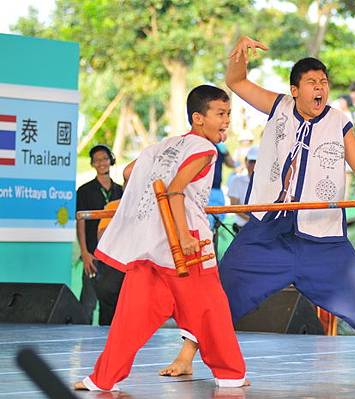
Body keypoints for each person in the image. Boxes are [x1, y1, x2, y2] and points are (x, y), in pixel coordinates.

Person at [160, 36, 355, 378]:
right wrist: (238, 54)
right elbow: (236, 82)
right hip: (269, 228)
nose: (319, 88)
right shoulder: (278, 105)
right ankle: (186, 354)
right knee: (224, 287)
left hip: (321, 234)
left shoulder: (339, 121)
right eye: (311, 82)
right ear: (295, 90)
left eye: (323, 82)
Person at [74, 85, 247, 391]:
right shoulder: (205, 150)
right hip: (187, 243)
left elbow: (128, 172)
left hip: (151, 245)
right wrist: (182, 235)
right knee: (212, 310)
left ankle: (101, 379)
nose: (226, 121)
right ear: (198, 118)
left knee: (131, 315)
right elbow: (176, 190)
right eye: (220, 114)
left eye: (228, 114)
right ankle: (231, 374)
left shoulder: (165, 146)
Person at [76, 144, 124, 324]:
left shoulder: (121, 190)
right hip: (93, 254)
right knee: (88, 303)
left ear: (110, 160)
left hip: (115, 255)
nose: (101, 163)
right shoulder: (85, 190)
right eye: (97, 160)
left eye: (104, 159)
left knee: (110, 303)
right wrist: (84, 252)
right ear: (92, 164)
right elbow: (81, 221)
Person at [227, 146, 258, 233]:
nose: (254, 165)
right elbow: (233, 205)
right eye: (251, 162)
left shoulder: (266, 182)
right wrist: (251, 220)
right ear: (246, 162)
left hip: (260, 228)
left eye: (256, 162)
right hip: (242, 228)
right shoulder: (237, 180)